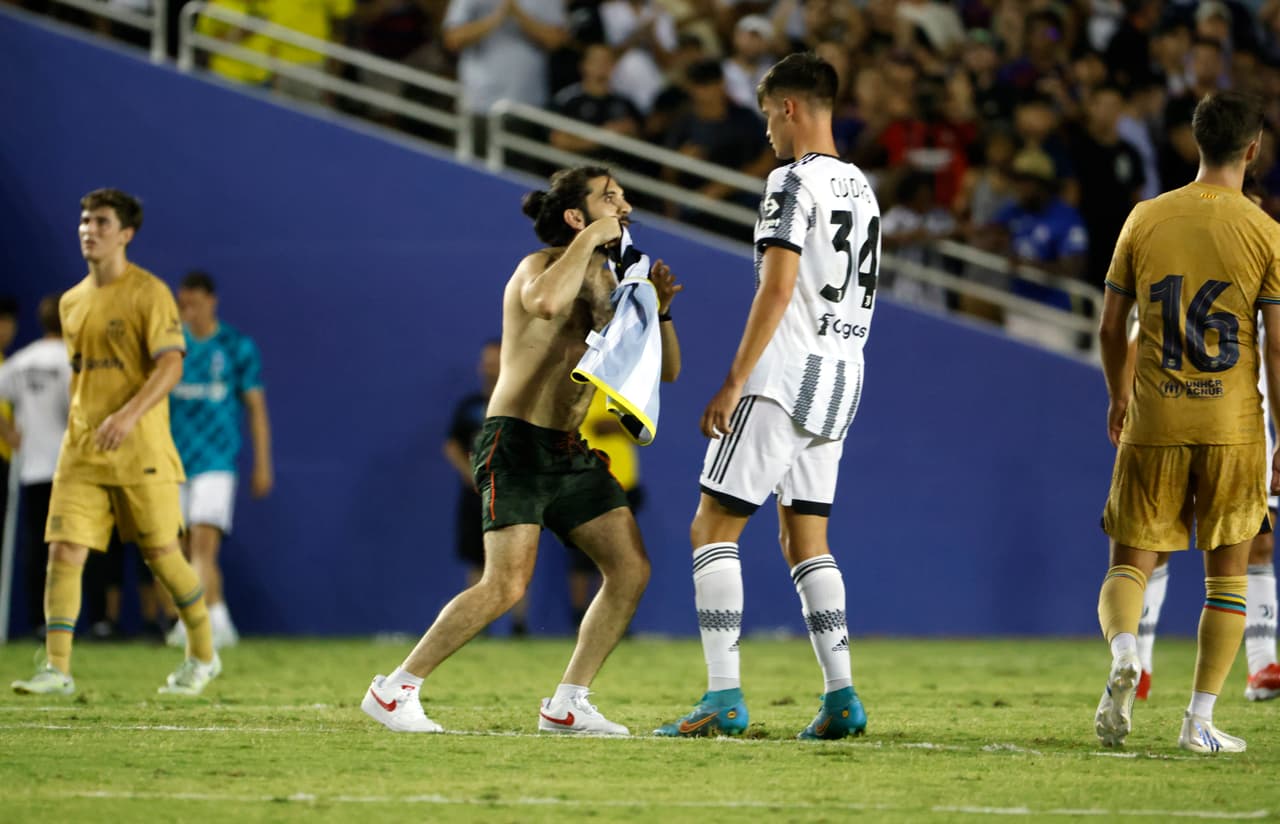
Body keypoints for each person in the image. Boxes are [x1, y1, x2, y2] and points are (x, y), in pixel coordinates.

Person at [361, 166, 682, 733]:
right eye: (610, 198)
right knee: (505, 585)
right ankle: (395, 690)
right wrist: (589, 241)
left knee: (630, 569)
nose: (625, 205)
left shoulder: (613, 279)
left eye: (623, 196)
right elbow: (546, 304)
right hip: (515, 442)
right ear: (576, 217)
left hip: (568, 448)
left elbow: (668, 372)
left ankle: (567, 704)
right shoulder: (539, 266)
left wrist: (659, 310)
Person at [655, 52, 880, 741]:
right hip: (844, 373)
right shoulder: (865, 189)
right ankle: (842, 698)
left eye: (765, 117)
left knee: (711, 527)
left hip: (785, 373)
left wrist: (731, 380)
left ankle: (723, 696)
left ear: (789, 107)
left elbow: (777, 288)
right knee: (806, 538)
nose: (766, 136)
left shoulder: (791, 180)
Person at [1094, 91, 1280, 754]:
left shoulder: (1145, 218)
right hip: (1234, 423)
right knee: (1226, 577)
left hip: (1156, 415)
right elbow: (1278, 347)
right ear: (1252, 150)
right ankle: (1198, 720)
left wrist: (1119, 392)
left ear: (1194, 144)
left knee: (1131, 564)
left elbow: (1112, 326)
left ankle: (1126, 655)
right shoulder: (1264, 231)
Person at [10, 188, 220, 697]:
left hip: (141, 450)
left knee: (163, 556)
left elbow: (171, 364)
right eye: (84, 220)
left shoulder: (149, 293)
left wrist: (128, 415)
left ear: (125, 234)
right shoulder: (71, 302)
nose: (89, 229)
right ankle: (57, 668)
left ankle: (202, 654)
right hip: (81, 451)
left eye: (101, 222)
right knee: (63, 551)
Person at [164, 271, 273, 650]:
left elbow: (255, 407)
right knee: (176, 547)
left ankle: (192, 623)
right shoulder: (171, 346)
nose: (187, 311)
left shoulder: (235, 346)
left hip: (216, 460)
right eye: (183, 304)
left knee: (203, 545)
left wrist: (262, 463)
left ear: (212, 301)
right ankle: (218, 618)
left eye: (194, 303)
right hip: (174, 460)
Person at [443, 338, 528, 634]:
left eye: (496, 359)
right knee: (477, 560)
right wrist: (472, 475)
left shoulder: (522, 402)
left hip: (512, 493)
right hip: (476, 495)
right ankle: (477, 626)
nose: (490, 366)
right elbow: (452, 445)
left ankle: (519, 626)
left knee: (518, 561)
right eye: (487, 360)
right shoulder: (470, 407)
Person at [0, 295, 70, 638]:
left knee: (34, 547)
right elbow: (78, 413)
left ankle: (39, 623)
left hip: (30, 469)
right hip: (67, 469)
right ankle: (60, 623)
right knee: (67, 548)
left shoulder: (21, 361)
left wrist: (10, 432)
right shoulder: (74, 362)